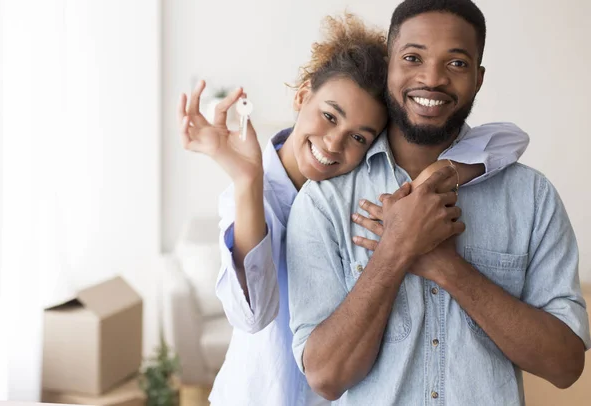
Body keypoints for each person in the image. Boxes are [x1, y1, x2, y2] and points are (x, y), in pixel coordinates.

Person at [178, 14, 529, 406]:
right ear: (301, 96)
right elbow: (252, 316)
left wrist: (438, 173)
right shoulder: (252, 193)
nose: (332, 144)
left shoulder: (357, 192)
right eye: (329, 116)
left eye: (358, 137)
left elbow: (509, 139)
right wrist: (246, 182)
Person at [286, 2, 591, 405]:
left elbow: (565, 366)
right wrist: (396, 248)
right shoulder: (325, 201)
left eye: (457, 63)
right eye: (413, 57)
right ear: (389, 66)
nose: (432, 78)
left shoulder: (531, 197)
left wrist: (445, 266)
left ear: (478, 79)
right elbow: (325, 377)